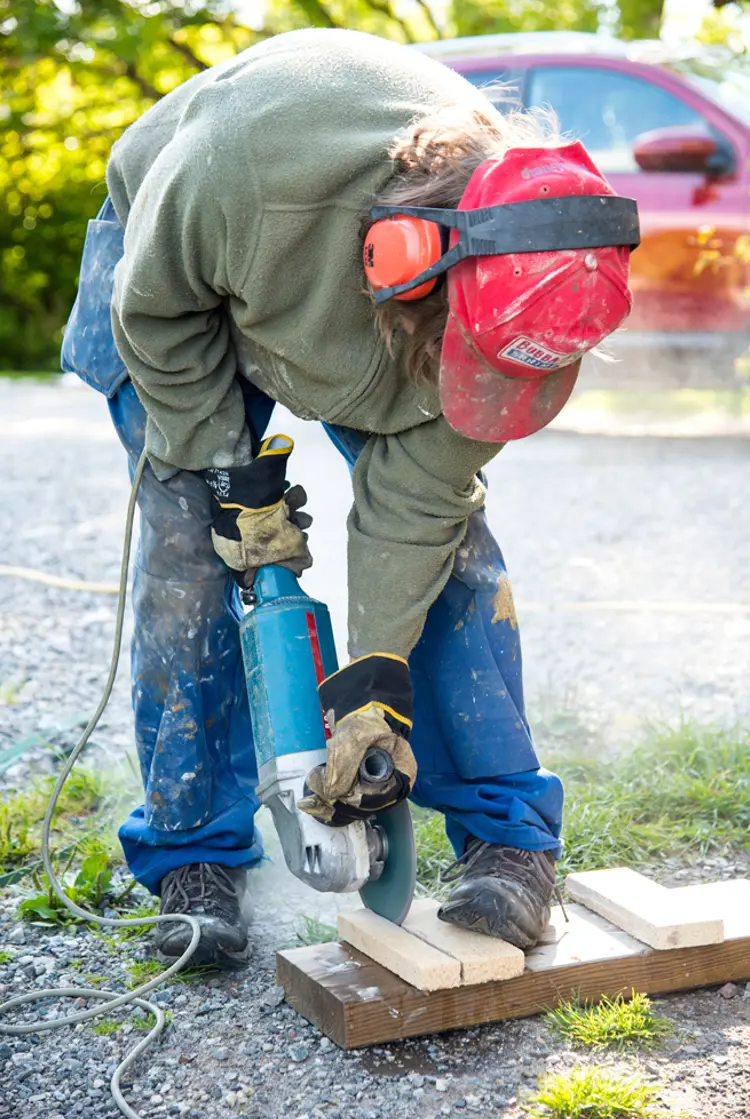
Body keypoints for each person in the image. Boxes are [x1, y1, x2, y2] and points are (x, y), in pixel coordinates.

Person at [61, 28, 635, 965]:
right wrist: (226, 475)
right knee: (191, 557)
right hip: (179, 277)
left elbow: (411, 513)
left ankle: (507, 843)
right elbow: (156, 312)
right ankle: (193, 857)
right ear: (404, 263)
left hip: (370, 285)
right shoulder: (237, 175)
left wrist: (377, 685)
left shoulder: (526, 297)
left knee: (451, 549)